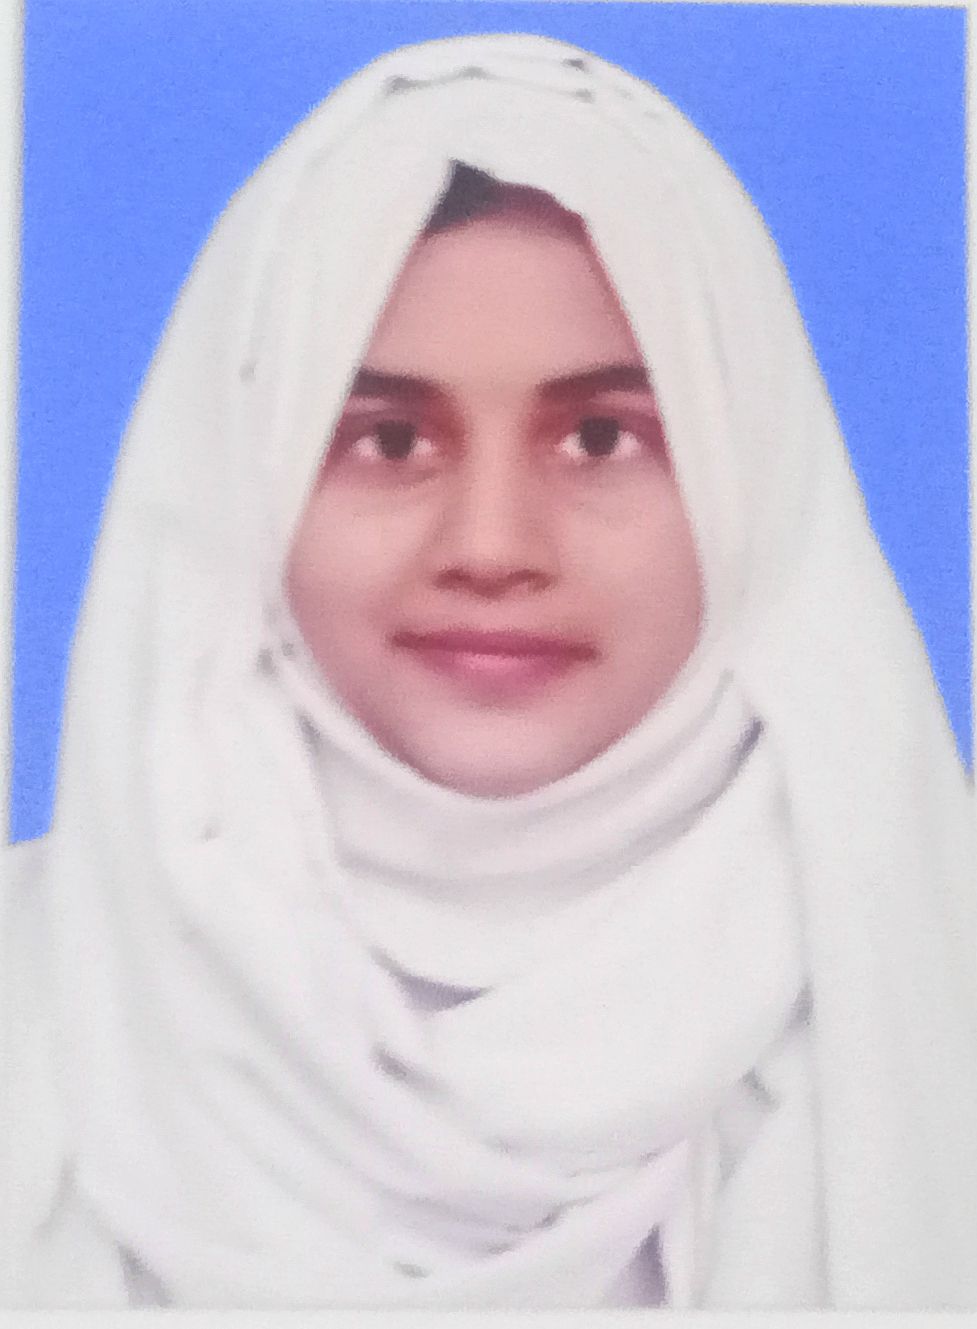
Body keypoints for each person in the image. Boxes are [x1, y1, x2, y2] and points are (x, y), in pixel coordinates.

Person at [2, 32, 974, 1310]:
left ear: (753, 488)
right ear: (243, 484)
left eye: (599, 437)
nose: (491, 547)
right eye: (389, 439)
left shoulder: (928, 991)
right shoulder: (34, 995)